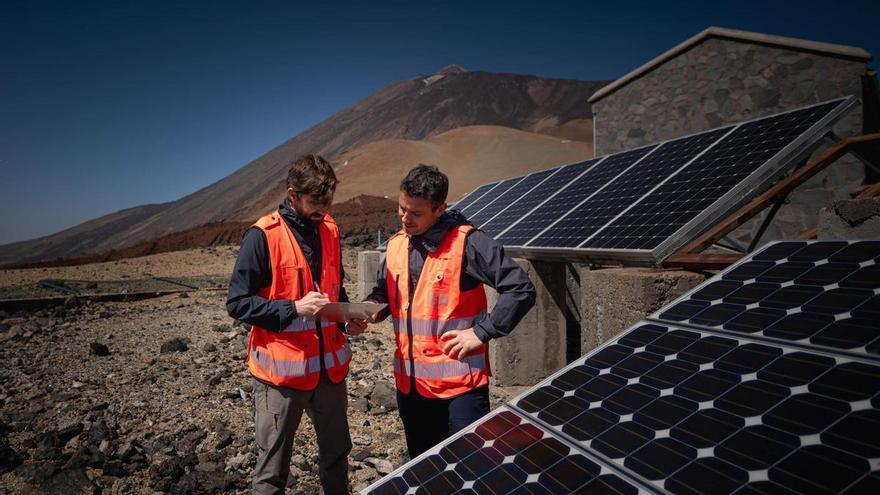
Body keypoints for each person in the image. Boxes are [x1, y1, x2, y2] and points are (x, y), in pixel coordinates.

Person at [353, 164, 536, 459]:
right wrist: (370, 309)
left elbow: (521, 289)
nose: (405, 218)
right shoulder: (397, 245)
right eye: (401, 209)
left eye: (415, 213)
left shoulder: (468, 243)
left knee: (468, 471)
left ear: (440, 209)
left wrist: (482, 332)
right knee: (424, 470)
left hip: (460, 389)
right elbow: (384, 292)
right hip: (410, 388)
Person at [227, 154, 363, 495]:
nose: (323, 209)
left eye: (328, 201)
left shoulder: (330, 229)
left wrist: (346, 318)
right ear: (292, 195)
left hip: (329, 374)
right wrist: (294, 308)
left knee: (337, 456)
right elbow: (237, 303)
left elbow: (334, 288)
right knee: (272, 470)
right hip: (281, 378)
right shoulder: (263, 236)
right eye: (315, 202)